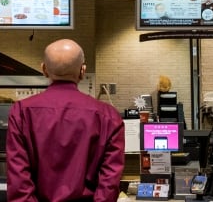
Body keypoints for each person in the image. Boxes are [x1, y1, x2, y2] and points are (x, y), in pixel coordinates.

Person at [7, 39, 125, 202]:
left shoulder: (21, 112)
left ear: (44, 69)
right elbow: (109, 182)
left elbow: (18, 180)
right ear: (83, 70)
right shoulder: (109, 116)